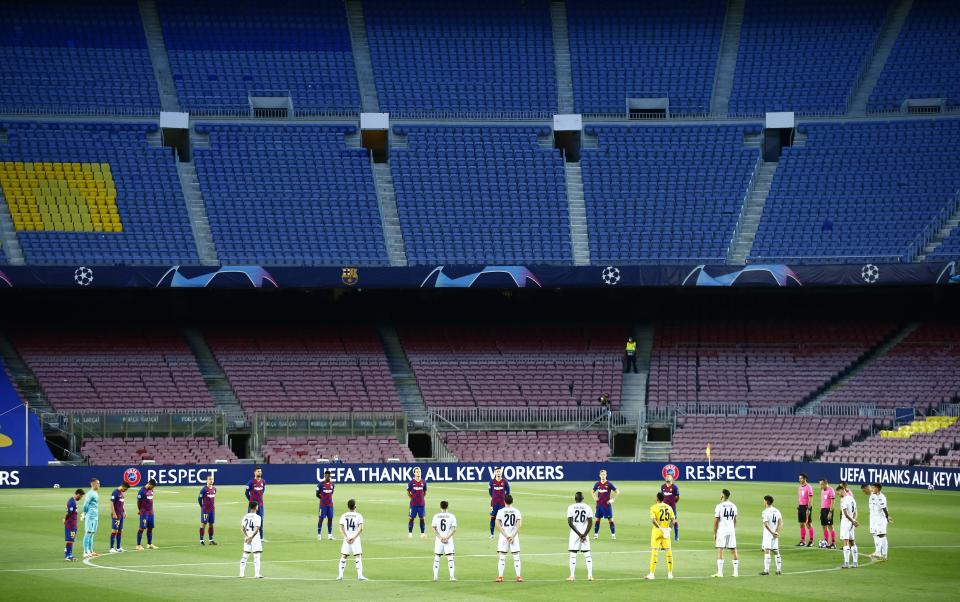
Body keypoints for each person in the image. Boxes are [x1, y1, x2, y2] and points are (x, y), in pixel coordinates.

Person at [645, 491, 675, 580]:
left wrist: (661, 528)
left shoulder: (653, 507)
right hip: (666, 533)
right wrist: (668, 529)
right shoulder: (669, 507)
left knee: (654, 553)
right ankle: (670, 574)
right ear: (664, 498)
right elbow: (673, 521)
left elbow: (654, 521)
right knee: (669, 553)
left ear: (657, 498)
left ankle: (652, 574)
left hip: (657, 533)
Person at [566, 491, 594, 581]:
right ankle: (590, 575)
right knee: (587, 554)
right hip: (585, 533)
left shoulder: (571, 507)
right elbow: (590, 522)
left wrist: (578, 534)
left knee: (573, 554)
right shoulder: (587, 507)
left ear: (575, 498)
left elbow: (570, 522)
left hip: (574, 533)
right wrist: (584, 535)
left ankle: (572, 576)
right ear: (583, 499)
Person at [495, 494, 523, 583]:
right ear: (512, 501)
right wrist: (512, 535)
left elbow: (497, 525)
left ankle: (500, 577)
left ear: (504, 501)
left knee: (502, 557)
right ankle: (518, 576)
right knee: (516, 557)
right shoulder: (517, 511)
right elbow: (519, 525)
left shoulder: (500, 511)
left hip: (504, 536)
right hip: (514, 536)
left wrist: (506, 535)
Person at [338, 498, 367, 580]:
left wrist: (346, 537)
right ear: (355, 506)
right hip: (355, 538)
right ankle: (360, 575)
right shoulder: (359, 515)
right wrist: (354, 537)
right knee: (358, 556)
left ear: (348, 507)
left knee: (343, 556)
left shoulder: (344, 515)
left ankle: (340, 575)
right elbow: (361, 528)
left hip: (346, 539)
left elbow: (341, 528)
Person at [712, 488, 739, 578]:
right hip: (731, 530)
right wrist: (733, 529)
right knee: (733, 550)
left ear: (723, 496)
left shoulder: (719, 506)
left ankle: (720, 573)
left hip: (722, 531)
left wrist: (715, 533)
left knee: (720, 549)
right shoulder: (734, 506)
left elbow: (716, 521)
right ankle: (735, 572)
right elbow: (735, 519)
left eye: (721, 494)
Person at [431, 500, 457, 582]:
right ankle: (452, 577)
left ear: (440, 507)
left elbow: (434, 528)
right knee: (450, 558)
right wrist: (447, 538)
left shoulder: (436, 516)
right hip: (448, 540)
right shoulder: (452, 516)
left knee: (437, 557)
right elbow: (453, 529)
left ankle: (435, 577)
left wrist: (440, 537)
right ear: (447, 507)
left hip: (439, 540)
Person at [760, 495, 783, 576]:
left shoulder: (765, 512)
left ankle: (766, 570)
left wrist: (772, 532)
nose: (763, 502)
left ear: (766, 501)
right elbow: (780, 522)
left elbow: (766, 524)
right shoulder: (777, 511)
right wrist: (777, 532)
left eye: (764, 500)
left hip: (768, 534)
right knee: (776, 551)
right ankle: (779, 570)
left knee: (767, 550)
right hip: (775, 535)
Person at [592, 469, 618, 539]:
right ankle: (596, 534)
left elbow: (617, 492)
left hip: (606, 505)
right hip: (599, 505)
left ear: (606, 475)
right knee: (597, 519)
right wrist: (594, 497)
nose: (603, 476)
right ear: (599, 475)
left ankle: (613, 535)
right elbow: (592, 491)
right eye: (602, 475)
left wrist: (612, 499)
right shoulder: (597, 484)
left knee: (610, 520)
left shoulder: (609, 484)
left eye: (604, 474)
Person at [838, 483, 859, 568]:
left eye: (838, 492)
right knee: (852, 542)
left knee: (845, 542)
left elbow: (846, 514)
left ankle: (846, 563)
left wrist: (852, 521)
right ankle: (855, 562)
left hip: (846, 522)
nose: (838, 494)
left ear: (842, 490)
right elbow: (855, 512)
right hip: (851, 523)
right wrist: (854, 521)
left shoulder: (844, 500)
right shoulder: (852, 499)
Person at [868, 483, 892, 561]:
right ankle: (877, 552)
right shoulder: (874, 495)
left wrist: (888, 517)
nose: (872, 489)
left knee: (882, 535)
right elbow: (867, 491)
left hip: (881, 519)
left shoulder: (881, 497)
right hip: (875, 519)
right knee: (875, 534)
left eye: (874, 488)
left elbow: (884, 508)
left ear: (877, 489)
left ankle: (884, 555)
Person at [240, 501, 263, 579]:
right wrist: (251, 538)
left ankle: (241, 573)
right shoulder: (258, 517)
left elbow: (242, 528)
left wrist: (247, 537)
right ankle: (257, 574)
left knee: (245, 555)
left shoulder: (245, 516)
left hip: (247, 538)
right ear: (256, 507)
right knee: (256, 555)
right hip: (255, 538)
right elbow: (257, 529)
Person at [136, 478, 157, 550]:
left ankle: (149, 544)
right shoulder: (142, 491)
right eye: (153, 486)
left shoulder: (151, 490)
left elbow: (151, 500)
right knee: (142, 528)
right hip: (144, 512)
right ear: (149, 484)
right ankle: (138, 545)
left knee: (150, 528)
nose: (153, 487)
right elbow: (139, 502)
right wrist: (140, 510)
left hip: (151, 512)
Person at [488, 467, 510, 539]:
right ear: (495, 473)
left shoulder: (505, 481)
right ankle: (492, 534)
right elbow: (490, 492)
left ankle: (504, 534)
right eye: (497, 471)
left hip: (502, 504)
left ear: (501, 472)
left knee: (503, 519)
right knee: (492, 518)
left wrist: (505, 499)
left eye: (499, 471)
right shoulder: (492, 482)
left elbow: (508, 491)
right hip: (494, 503)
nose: (498, 473)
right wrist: (493, 497)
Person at [81, 478, 100, 558]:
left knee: (92, 533)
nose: (99, 485)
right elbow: (86, 504)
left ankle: (91, 550)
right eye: (97, 483)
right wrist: (84, 514)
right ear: (93, 484)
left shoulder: (95, 493)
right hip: (90, 515)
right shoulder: (90, 493)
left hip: (95, 515)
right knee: (88, 532)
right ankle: (85, 551)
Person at [245, 466, 266, 540]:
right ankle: (249, 536)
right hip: (252, 505)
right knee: (251, 520)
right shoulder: (250, 482)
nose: (260, 472)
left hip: (260, 505)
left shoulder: (263, 481)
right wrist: (251, 501)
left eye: (260, 471)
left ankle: (261, 537)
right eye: (258, 471)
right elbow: (246, 493)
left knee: (261, 520)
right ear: (254, 472)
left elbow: (263, 491)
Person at [64, 488, 84, 561]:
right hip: (71, 524)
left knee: (70, 539)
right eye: (81, 496)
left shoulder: (72, 501)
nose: (81, 498)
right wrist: (65, 519)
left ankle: (68, 553)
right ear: (78, 494)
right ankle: (68, 555)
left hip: (72, 524)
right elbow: (69, 513)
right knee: (70, 540)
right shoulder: (72, 502)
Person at [407, 466, 427, 539]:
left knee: (422, 518)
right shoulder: (411, 483)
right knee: (411, 518)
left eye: (419, 472)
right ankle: (410, 533)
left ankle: (422, 533)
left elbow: (425, 492)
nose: (419, 473)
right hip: (413, 504)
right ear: (414, 473)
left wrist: (421, 498)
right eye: (417, 472)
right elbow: (408, 492)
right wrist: (412, 498)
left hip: (421, 504)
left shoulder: (423, 482)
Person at [109, 482, 129, 553]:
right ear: (123, 486)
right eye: (125, 489)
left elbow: (122, 503)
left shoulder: (122, 493)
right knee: (114, 530)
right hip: (116, 515)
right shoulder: (115, 492)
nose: (125, 490)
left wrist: (124, 511)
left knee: (120, 530)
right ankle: (111, 548)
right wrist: (114, 513)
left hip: (121, 515)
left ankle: (118, 547)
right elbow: (111, 503)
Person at [317, 470, 336, 541]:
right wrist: (323, 499)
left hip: (330, 505)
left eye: (329, 475)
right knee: (321, 519)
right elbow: (317, 494)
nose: (328, 477)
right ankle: (319, 535)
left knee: (330, 519)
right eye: (327, 475)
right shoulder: (320, 484)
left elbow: (331, 493)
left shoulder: (332, 484)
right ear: (325, 476)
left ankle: (330, 535)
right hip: (323, 505)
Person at [198, 474, 217, 545]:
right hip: (205, 510)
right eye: (209, 479)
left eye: (212, 479)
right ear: (206, 480)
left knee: (211, 524)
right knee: (204, 524)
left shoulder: (214, 489)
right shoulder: (204, 489)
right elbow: (199, 499)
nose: (211, 480)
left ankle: (211, 540)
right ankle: (201, 540)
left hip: (212, 510)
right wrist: (202, 507)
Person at [660, 475, 680, 541]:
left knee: (674, 519)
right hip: (664, 506)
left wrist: (674, 503)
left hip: (672, 506)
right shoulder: (663, 486)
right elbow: (662, 496)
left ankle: (676, 534)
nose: (667, 478)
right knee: (663, 520)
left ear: (672, 479)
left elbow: (677, 497)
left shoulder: (674, 487)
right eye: (667, 477)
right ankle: (664, 534)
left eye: (669, 477)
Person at [796, 473, 814, 546]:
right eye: (799, 478)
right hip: (801, 507)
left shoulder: (809, 487)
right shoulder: (799, 487)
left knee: (808, 523)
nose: (799, 479)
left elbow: (810, 499)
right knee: (801, 524)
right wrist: (798, 506)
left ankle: (811, 541)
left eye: (801, 478)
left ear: (804, 479)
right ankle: (803, 541)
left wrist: (808, 509)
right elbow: (799, 497)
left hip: (806, 507)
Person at [819, 479, 836, 549]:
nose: (820, 486)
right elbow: (822, 502)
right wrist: (820, 512)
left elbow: (833, 502)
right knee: (824, 526)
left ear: (825, 483)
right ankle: (826, 542)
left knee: (830, 526)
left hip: (828, 510)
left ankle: (833, 543)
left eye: (821, 484)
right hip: (823, 510)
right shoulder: (822, 491)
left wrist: (830, 512)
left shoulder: (831, 490)